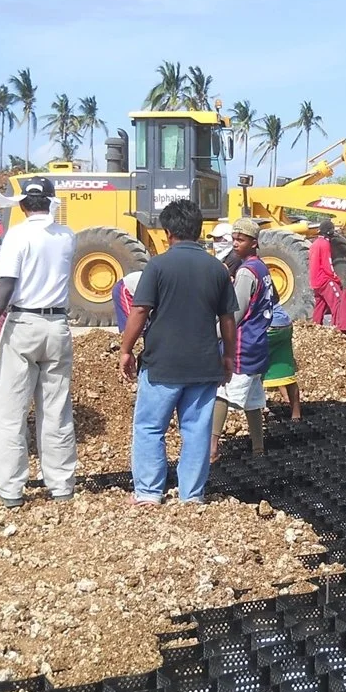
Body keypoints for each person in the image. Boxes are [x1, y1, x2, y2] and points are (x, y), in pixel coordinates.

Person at [120, 199, 237, 505]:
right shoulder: (217, 269)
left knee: (149, 427)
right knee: (196, 430)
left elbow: (140, 310)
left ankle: (148, 492)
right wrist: (228, 357)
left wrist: (126, 349)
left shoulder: (158, 265)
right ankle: (192, 496)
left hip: (162, 364)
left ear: (169, 231)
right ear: (198, 230)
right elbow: (228, 319)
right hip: (204, 363)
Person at [0, 176, 77, 508]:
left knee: (10, 412)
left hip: (23, 324)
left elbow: (5, 288)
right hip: (57, 325)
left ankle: (12, 489)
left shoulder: (17, 236)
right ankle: (61, 485)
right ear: (51, 202)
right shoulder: (67, 237)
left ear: (24, 204)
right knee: (56, 409)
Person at [211, 219, 274, 462]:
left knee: (223, 393)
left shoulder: (247, 272)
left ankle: (212, 449)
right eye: (234, 238)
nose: (235, 244)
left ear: (254, 243)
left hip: (242, 345)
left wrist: (214, 332)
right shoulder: (262, 268)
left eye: (241, 240)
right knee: (253, 399)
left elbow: (235, 313)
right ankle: (258, 448)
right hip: (258, 343)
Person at [263, 304, 302, 421]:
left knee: (253, 371)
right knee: (284, 370)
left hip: (267, 327)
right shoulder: (268, 286)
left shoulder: (243, 286)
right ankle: (296, 415)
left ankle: (256, 409)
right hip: (285, 325)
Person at [309, 219, 345, 328]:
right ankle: (337, 327)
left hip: (315, 281)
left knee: (320, 305)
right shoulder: (324, 244)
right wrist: (336, 279)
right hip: (324, 279)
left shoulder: (314, 243)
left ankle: (315, 327)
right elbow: (327, 265)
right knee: (339, 301)